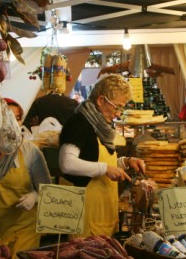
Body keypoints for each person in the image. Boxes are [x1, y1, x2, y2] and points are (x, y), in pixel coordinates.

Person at [59, 74, 145, 237]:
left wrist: (125, 162)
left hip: (104, 214)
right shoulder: (79, 123)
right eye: (117, 107)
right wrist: (104, 169)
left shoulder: (101, 126)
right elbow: (67, 163)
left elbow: (93, 159)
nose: (118, 113)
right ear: (101, 100)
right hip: (86, 217)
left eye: (122, 108)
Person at [0, 99, 52, 255]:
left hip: (23, 232)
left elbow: (47, 189)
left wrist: (34, 196)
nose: (13, 122)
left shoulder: (30, 151)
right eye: (8, 117)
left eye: (17, 118)